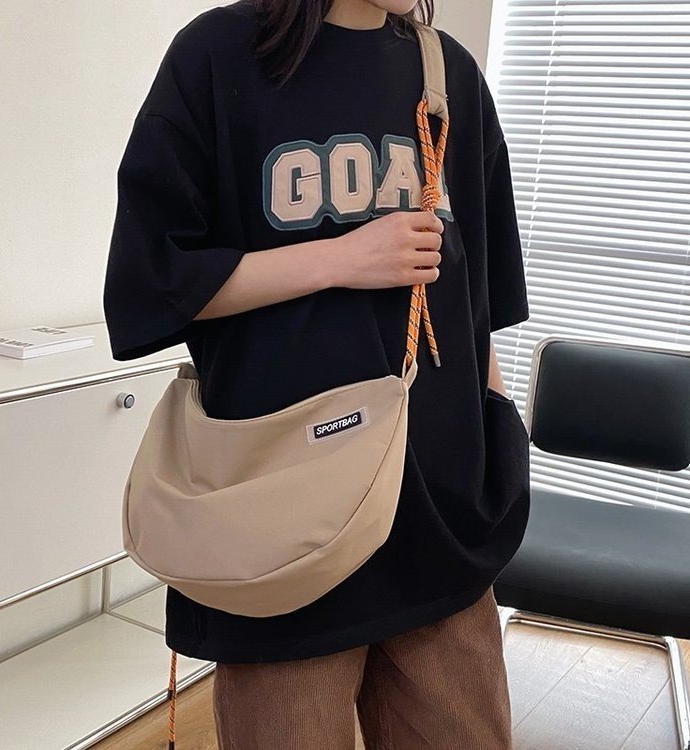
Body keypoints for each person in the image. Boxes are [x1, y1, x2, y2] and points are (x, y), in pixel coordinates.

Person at [103, 0, 531, 747]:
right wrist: (340, 259)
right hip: (281, 539)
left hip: (440, 527)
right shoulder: (219, 56)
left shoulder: (449, 75)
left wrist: (498, 457)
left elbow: (478, 301)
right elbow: (151, 284)